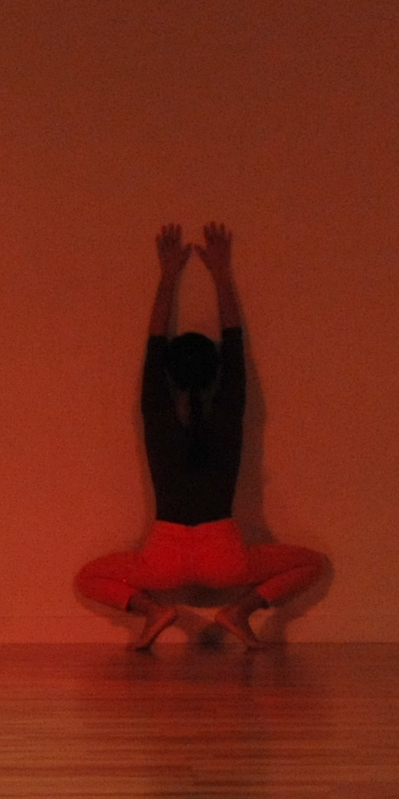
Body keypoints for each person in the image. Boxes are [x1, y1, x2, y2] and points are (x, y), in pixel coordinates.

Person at [76, 222, 326, 649]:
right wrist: (222, 273)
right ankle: (240, 611)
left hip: (163, 558)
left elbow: (154, 343)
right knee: (312, 563)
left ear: (169, 375)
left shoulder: (157, 415)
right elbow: (235, 343)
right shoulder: (229, 412)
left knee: (88, 577)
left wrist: (168, 275)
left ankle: (153, 612)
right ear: (215, 374)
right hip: (224, 556)